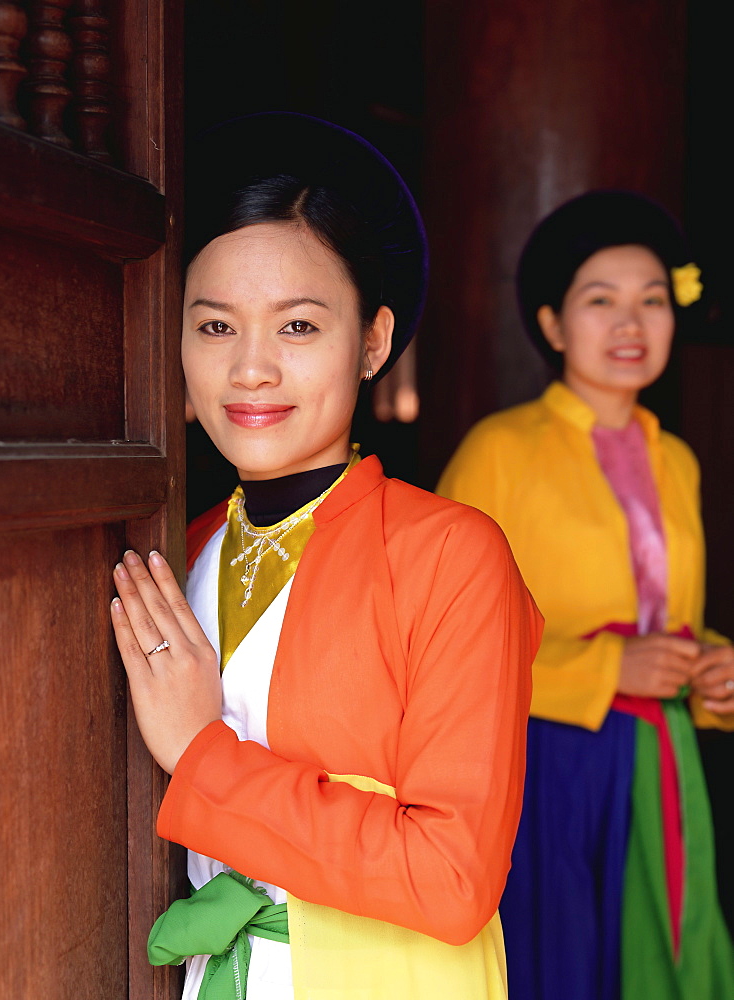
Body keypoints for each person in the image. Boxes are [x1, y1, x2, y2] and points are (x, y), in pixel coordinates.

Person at [109, 113, 542, 1000]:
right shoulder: (176, 555)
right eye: (216, 327)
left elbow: (452, 880)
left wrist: (203, 753)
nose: (252, 370)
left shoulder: (452, 558)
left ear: (374, 341)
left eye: (298, 328)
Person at [437, 190, 734, 1000]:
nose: (631, 323)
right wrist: (604, 670)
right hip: (551, 762)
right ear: (556, 326)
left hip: (662, 754)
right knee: (564, 962)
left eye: (652, 301)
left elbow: (668, 614)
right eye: (601, 302)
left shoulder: (677, 460)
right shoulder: (500, 450)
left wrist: (711, 667)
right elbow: (442, 639)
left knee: (665, 960)